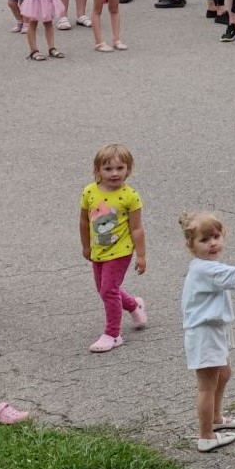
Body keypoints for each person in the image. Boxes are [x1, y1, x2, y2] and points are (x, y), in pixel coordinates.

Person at [178, 211, 235, 451]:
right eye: (204, 240)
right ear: (191, 245)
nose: (212, 243)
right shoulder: (204, 270)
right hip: (204, 333)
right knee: (206, 386)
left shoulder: (208, 265)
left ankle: (216, 419)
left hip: (213, 330)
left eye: (216, 236)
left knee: (223, 373)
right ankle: (206, 436)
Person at [78, 143, 147, 353]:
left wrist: (141, 255)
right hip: (98, 250)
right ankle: (134, 305)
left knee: (108, 290)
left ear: (129, 169)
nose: (114, 173)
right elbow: (83, 222)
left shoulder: (130, 196)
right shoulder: (89, 191)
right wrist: (86, 246)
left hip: (121, 252)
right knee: (104, 289)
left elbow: (137, 228)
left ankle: (113, 334)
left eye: (120, 168)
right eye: (108, 169)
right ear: (97, 170)